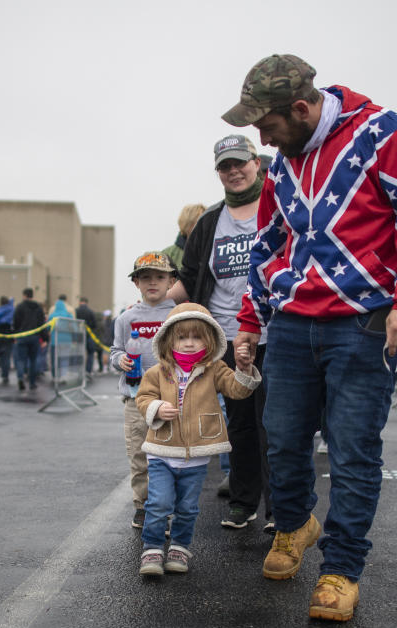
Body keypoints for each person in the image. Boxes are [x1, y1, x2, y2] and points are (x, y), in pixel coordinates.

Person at [226, 54, 397, 621]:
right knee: (282, 438)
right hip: (295, 322)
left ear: (300, 109)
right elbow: (270, 242)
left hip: (364, 322)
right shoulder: (281, 164)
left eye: (267, 125)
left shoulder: (387, 135)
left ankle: (341, 568)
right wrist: (252, 318)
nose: (261, 138)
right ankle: (296, 525)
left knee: (351, 449)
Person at [168, 134, 272, 531]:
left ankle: (281, 510)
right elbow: (191, 278)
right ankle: (244, 502)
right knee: (242, 424)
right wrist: (153, 301)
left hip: (275, 334)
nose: (233, 171)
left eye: (239, 163)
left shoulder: (278, 207)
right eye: (225, 167)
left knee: (278, 423)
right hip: (228, 337)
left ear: (256, 163)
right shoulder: (211, 221)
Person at [134, 302, 261, 575]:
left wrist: (244, 367)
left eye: (196, 336)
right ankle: (152, 549)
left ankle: (179, 547)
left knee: (188, 508)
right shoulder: (157, 372)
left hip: (196, 455)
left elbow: (238, 390)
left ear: (210, 339)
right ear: (169, 339)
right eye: (182, 337)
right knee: (158, 504)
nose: (189, 343)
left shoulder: (214, 369)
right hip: (162, 451)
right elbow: (143, 398)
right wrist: (155, 408)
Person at [110, 251, 177, 529]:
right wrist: (119, 360)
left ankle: (167, 506)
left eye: (160, 277)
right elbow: (115, 351)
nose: (153, 282)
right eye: (145, 277)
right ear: (136, 282)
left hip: (171, 397)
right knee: (139, 453)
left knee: (170, 454)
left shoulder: (178, 313)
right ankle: (143, 503)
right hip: (135, 399)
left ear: (171, 281)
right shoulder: (126, 318)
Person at [12, 288, 47, 391]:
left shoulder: (20, 307)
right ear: (32, 296)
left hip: (22, 336)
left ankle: (20, 377)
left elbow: (15, 322)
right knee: (33, 360)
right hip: (35, 337)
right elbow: (42, 324)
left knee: (21, 359)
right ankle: (32, 382)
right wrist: (44, 338)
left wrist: (15, 335)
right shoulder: (38, 308)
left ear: (24, 295)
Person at [162, 204, 206, 269]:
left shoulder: (216, 250)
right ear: (187, 224)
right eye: (199, 222)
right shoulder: (167, 254)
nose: (204, 225)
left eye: (207, 221)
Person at [47, 296, 74, 380]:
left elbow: (48, 327)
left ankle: (54, 376)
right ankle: (62, 376)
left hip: (54, 341)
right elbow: (73, 328)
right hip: (66, 341)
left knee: (54, 359)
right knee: (64, 358)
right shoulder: (69, 315)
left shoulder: (52, 316)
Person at [75, 296, 98, 376]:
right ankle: (88, 371)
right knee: (90, 353)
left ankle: (79, 371)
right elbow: (95, 324)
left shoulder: (76, 311)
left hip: (78, 336)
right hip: (89, 336)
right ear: (87, 303)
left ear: (80, 302)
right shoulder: (91, 312)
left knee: (79, 353)